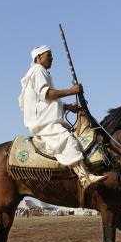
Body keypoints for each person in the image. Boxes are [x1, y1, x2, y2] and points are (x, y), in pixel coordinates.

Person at [19, 45, 105, 190]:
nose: (52, 58)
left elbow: (44, 102)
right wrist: (72, 91)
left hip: (44, 117)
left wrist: (66, 107)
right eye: (48, 55)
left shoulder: (40, 72)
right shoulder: (38, 71)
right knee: (68, 141)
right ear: (38, 57)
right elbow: (47, 94)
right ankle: (84, 177)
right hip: (43, 121)